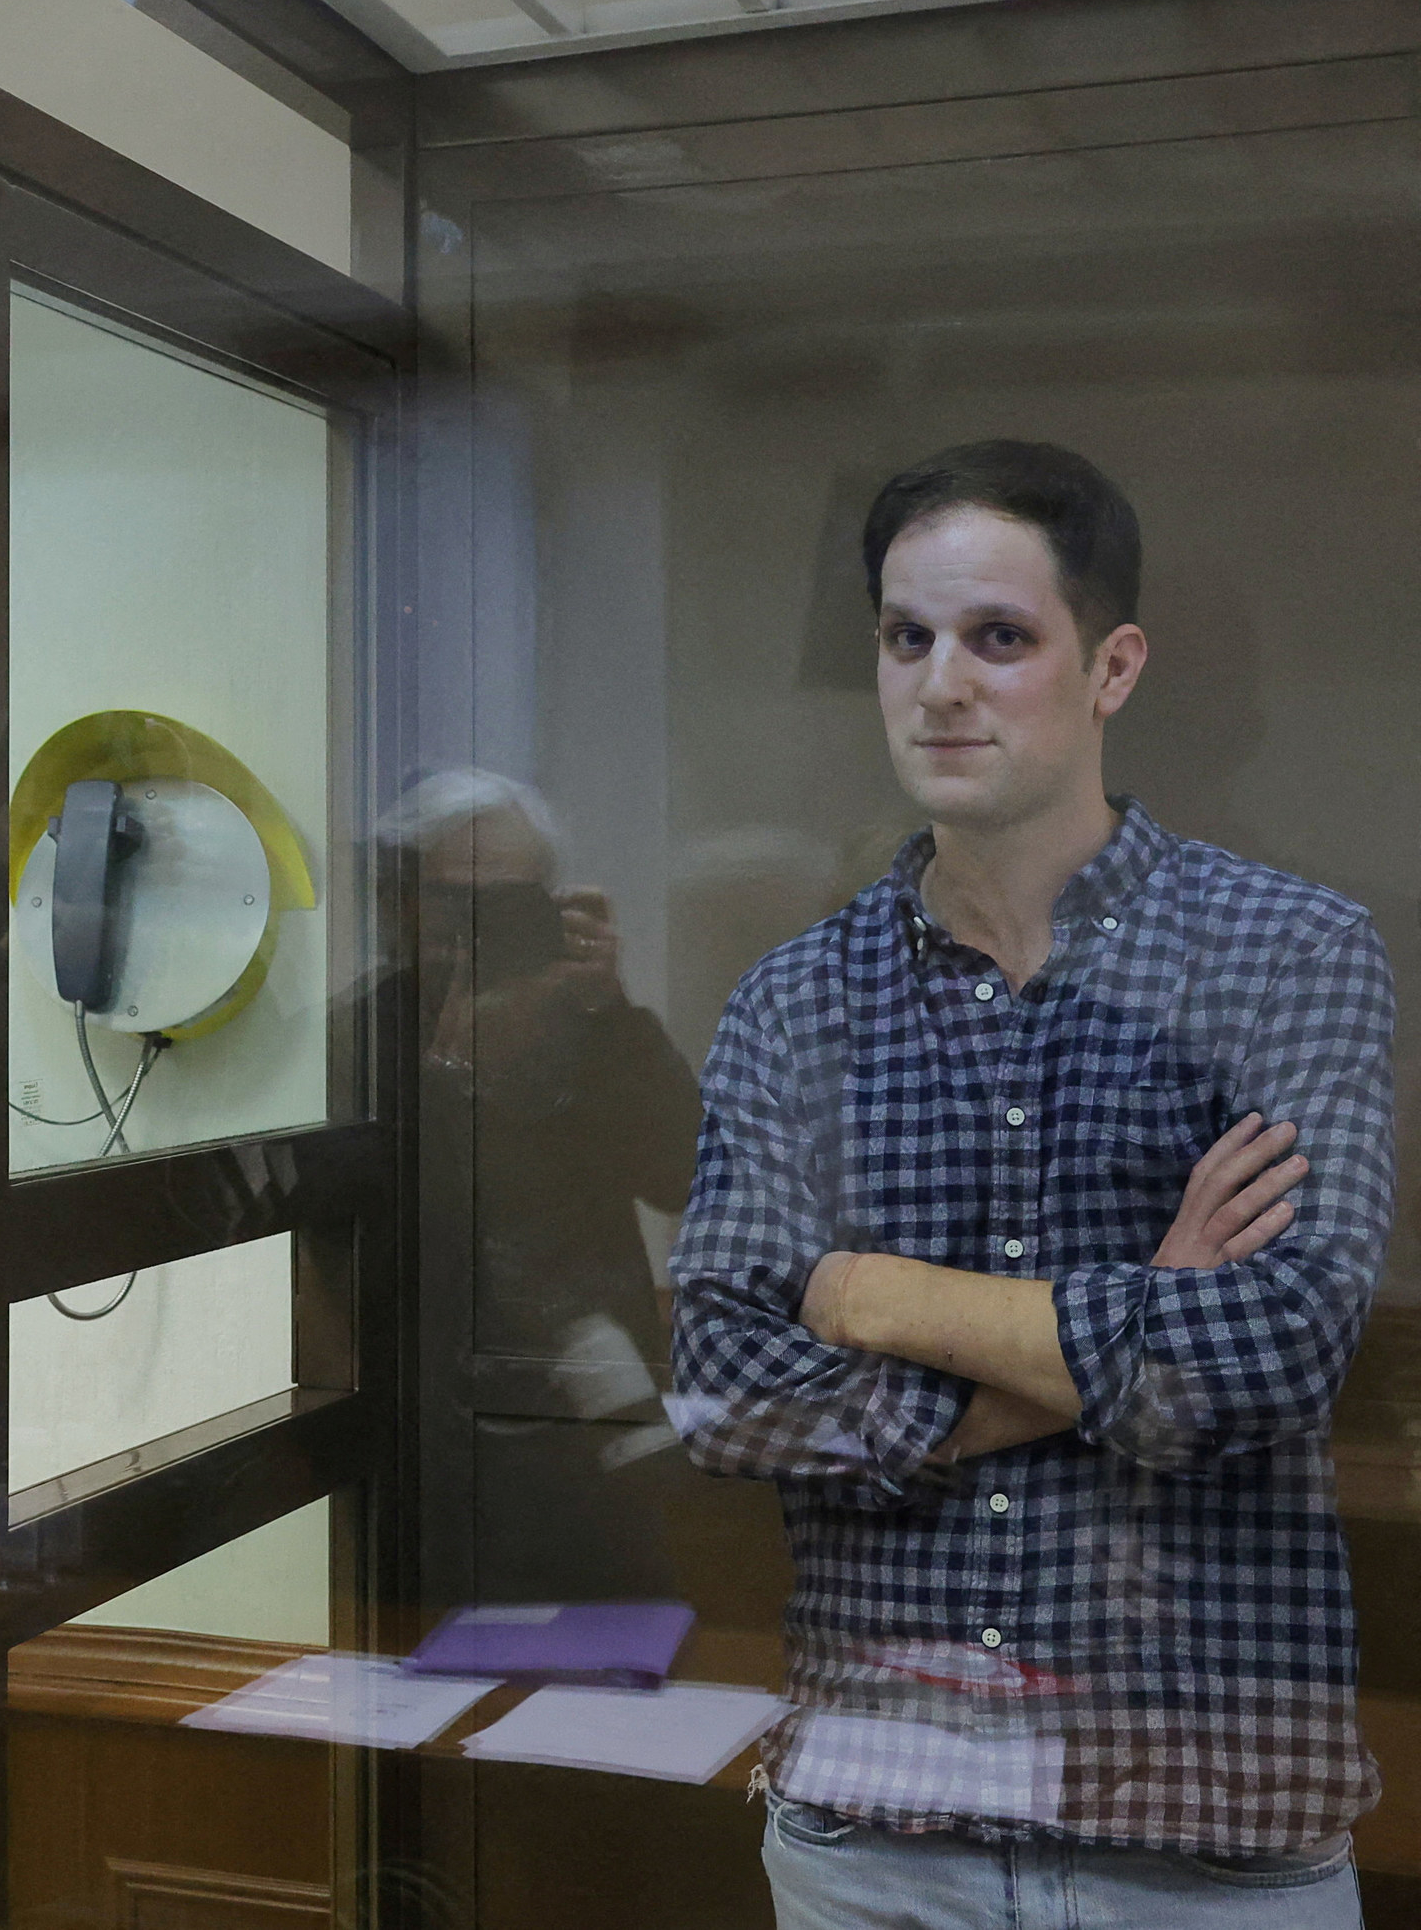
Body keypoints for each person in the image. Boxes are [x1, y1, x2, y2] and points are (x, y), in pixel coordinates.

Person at [670, 441, 1394, 1927]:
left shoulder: (1288, 952)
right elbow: (731, 1386)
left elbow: (1269, 1354)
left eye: (1000, 637)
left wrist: (873, 1293)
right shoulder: (794, 1002)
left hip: (1204, 1828)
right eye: (906, 635)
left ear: (1111, 665)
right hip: (881, 1827)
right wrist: (1147, 1313)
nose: (943, 681)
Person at [383, 769, 699, 1596]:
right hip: (419, 1448)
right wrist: (445, 1054)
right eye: (454, 900)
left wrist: (609, 1012)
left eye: (511, 901)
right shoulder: (361, 1041)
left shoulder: (589, 1026)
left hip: (590, 1453)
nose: (478, 928)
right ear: (406, 903)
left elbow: (688, 1176)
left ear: (551, 904)